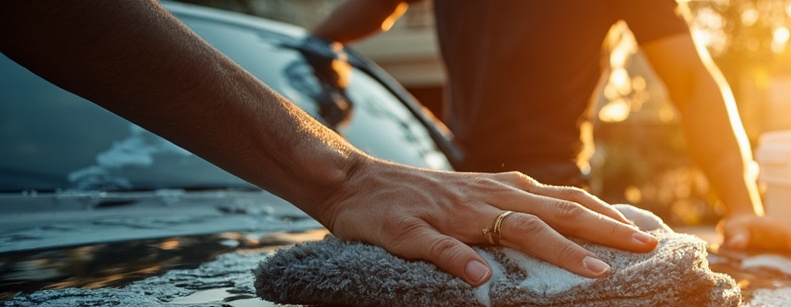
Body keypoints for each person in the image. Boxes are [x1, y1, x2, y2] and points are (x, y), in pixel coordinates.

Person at [0, 0, 662, 287]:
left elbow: (365, 15)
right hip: (478, 180)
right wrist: (341, 166)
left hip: (505, 185)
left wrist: (314, 50)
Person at [312, 0, 791, 274]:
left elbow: (692, 81)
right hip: (449, 195)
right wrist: (313, 49)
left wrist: (743, 206)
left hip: (555, 201)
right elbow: (366, 13)